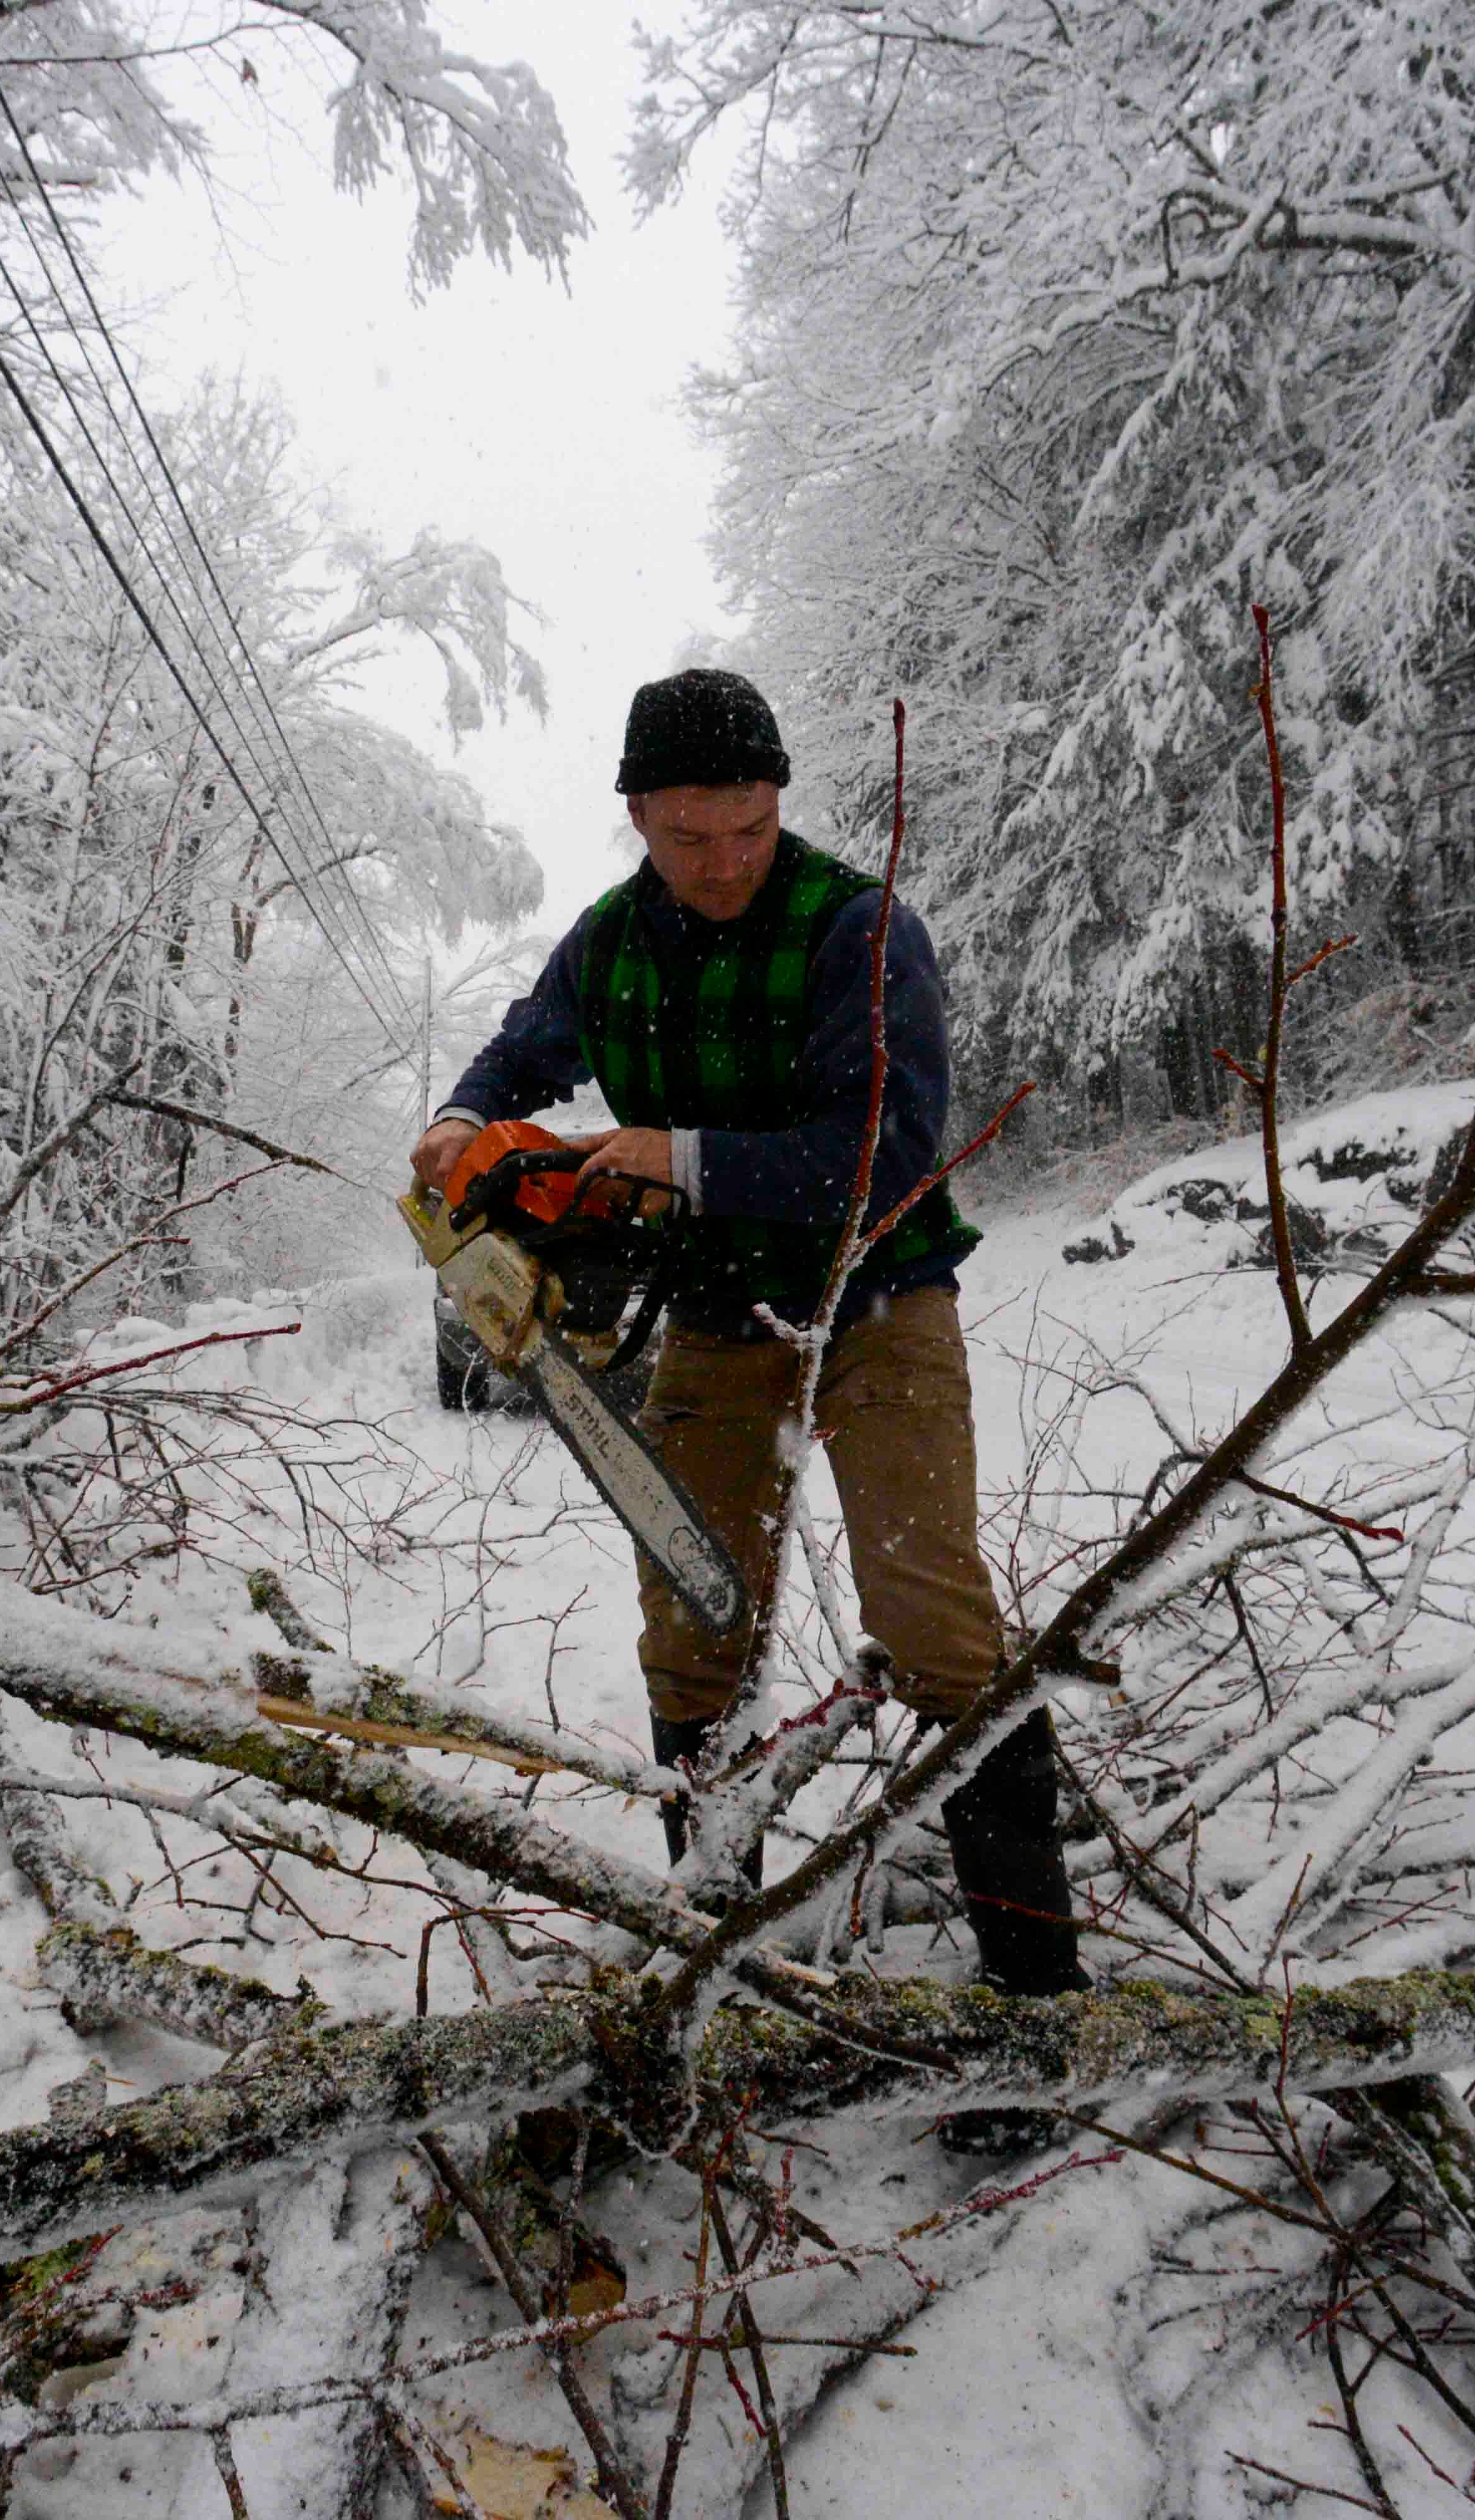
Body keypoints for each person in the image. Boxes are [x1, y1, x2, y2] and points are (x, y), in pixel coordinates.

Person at [410, 667, 1088, 2020]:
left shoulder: (857, 929)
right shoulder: (606, 945)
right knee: (692, 1613)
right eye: (684, 836)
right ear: (639, 819)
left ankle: (1038, 1987)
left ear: (777, 804)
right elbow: (520, 1053)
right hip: (719, 1315)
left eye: (744, 830)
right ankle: (721, 1942)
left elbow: (887, 1150)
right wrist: (459, 1122)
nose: (718, 863)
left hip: (878, 1295)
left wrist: (682, 1157)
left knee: (932, 1616)